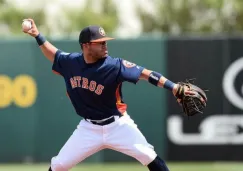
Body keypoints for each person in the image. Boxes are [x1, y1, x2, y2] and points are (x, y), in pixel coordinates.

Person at [22, 18, 192, 171]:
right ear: (86, 45)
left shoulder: (114, 65)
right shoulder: (71, 62)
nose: (105, 45)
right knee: (58, 165)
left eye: (105, 41)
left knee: (148, 155)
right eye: (100, 42)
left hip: (118, 125)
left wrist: (173, 87)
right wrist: (37, 35)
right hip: (88, 128)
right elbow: (53, 54)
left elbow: (146, 74)